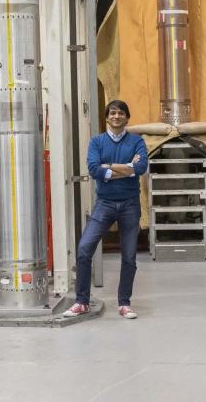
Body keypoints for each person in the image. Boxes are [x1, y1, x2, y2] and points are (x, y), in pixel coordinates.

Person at [63, 99, 149, 320]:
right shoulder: (97, 142)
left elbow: (140, 167)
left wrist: (108, 167)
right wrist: (126, 168)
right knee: (84, 249)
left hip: (130, 203)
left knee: (129, 256)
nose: (116, 116)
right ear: (107, 117)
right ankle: (82, 302)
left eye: (121, 113)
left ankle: (124, 303)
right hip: (105, 203)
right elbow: (94, 169)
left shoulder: (137, 141)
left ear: (127, 118)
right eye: (112, 113)